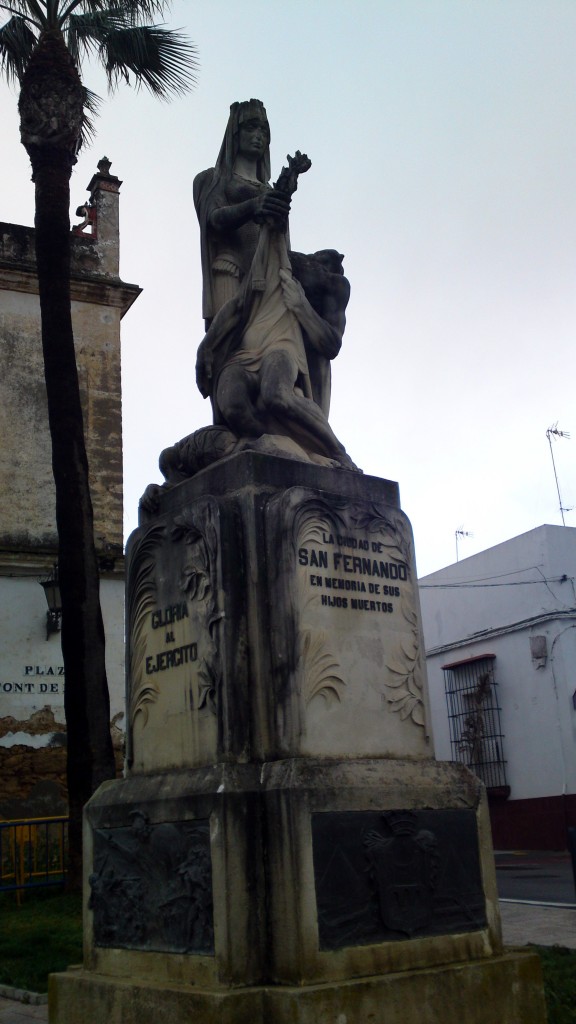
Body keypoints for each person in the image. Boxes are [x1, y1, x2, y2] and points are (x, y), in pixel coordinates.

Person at [193, 99, 356, 470]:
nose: (258, 136)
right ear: (235, 134)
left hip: (272, 295)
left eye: (263, 131)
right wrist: (256, 207)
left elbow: (278, 243)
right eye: (250, 128)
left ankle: (332, 454)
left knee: (276, 390)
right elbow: (214, 220)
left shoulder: (269, 189)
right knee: (230, 396)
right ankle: (256, 448)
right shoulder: (212, 180)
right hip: (232, 280)